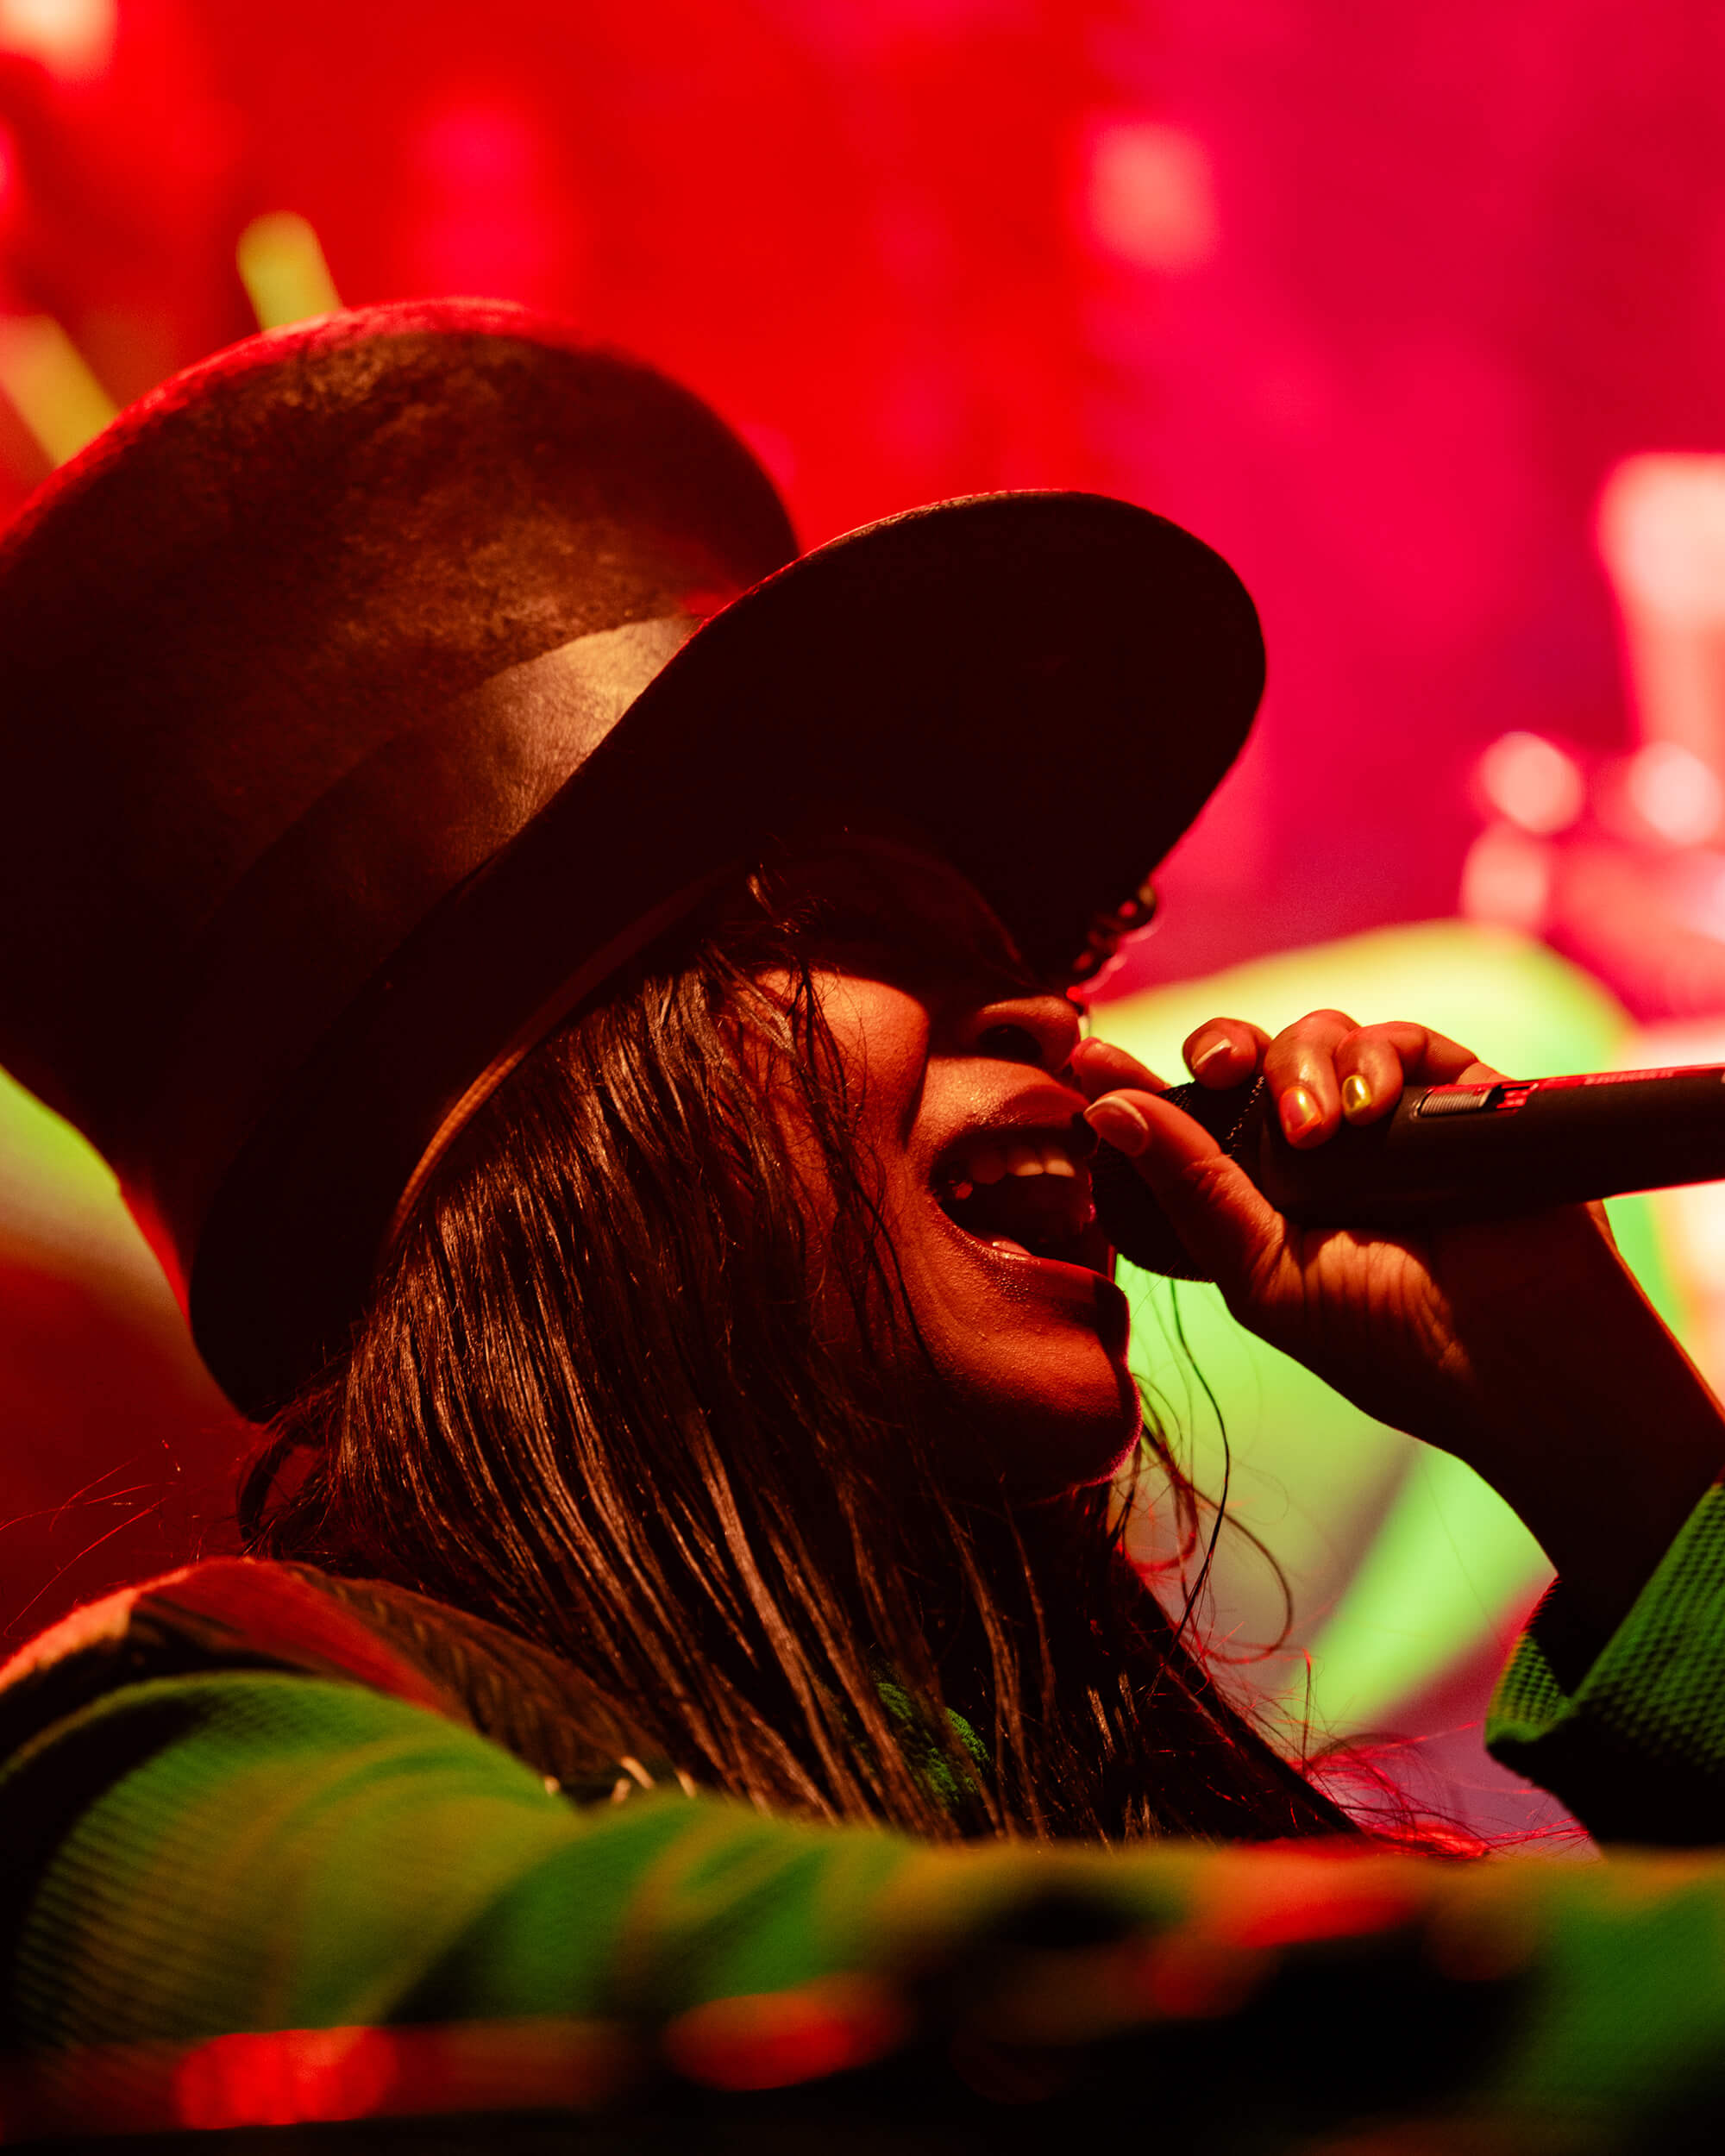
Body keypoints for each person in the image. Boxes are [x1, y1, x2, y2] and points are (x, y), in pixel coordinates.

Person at [3, 300, 1725, 2150]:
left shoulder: (1030, 1769)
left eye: (1034, 952)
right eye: (857, 921)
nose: (1051, 1014)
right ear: (533, 1119)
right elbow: (965, 2035)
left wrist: (1611, 1447)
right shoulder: (161, 1780)